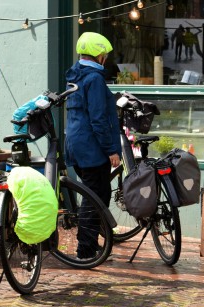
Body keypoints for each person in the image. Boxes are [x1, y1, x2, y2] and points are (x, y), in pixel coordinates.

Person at [65, 32, 122, 259]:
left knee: (97, 193)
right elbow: (98, 118)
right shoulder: (95, 79)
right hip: (92, 148)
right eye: (104, 54)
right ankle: (85, 250)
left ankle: (92, 244)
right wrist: (111, 150)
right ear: (99, 55)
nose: (105, 58)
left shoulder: (75, 75)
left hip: (76, 145)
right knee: (93, 198)